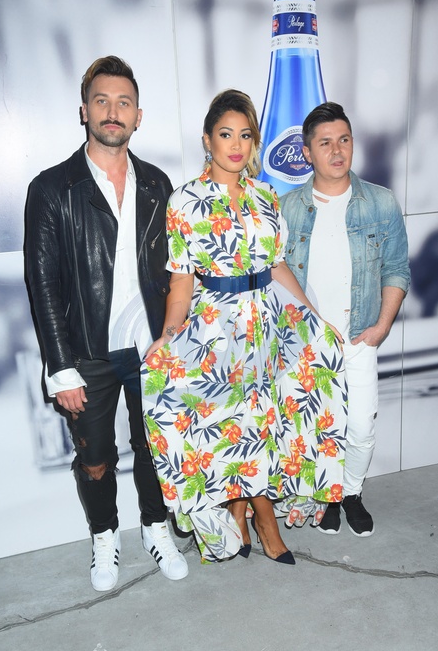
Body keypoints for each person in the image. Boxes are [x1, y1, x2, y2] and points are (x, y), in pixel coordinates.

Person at [141, 89, 347, 564]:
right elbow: (181, 280)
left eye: (245, 135)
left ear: (254, 142)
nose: (236, 145)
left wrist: (312, 318)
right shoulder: (184, 201)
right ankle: (255, 516)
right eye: (225, 134)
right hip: (217, 326)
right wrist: (169, 336)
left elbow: (277, 265)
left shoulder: (265, 195)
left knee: (265, 420)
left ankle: (249, 511)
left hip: (267, 321)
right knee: (232, 422)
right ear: (207, 140)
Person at [25, 56, 188, 591]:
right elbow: (43, 284)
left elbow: (177, 272)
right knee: (94, 459)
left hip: (150, 349)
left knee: (153, 449)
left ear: (138, 115)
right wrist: (60, 367)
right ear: (84, 111)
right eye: (102, 101)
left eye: (123, 102)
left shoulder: (158, 184)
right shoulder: (53, 188)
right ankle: (104, 535)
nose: (112, 111)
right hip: (86, 354)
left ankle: (156, 528)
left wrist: (172, 338)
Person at [280, 102, 410, 537]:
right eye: (325, 143)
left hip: (359, 338)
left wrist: (382, 326)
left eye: (344, 140)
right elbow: (276, 277)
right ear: (307, 152)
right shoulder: (286, 209)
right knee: (318, 427)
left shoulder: (380, 202)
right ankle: (328, 496)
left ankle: (351, 491)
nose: (337, 151)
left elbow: (397, 268)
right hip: (307, 342)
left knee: (360, 426)